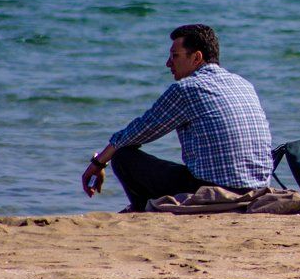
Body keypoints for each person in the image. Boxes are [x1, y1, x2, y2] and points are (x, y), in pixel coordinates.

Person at [81, 24, 273, 212]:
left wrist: (99, 163)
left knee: (123, 157)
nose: (168, 63)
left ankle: (141, 210)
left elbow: (140, 131)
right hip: (257, 189)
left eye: (175, 56)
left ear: (196, 57)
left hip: (215, 191)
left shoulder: (187, 88)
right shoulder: (243, 84)